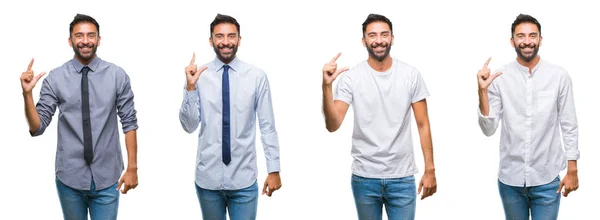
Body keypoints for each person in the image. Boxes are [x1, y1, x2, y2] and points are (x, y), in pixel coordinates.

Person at [20, 14, 139, 219]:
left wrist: (132, 168)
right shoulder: (55, 78)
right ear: (70, 41)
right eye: (79, 36)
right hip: (70, 178)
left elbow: (129, 123)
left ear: (99, 40)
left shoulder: (117, 75)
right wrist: (27, 94)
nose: (85, 41)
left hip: (107, 177)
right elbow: (37, 127)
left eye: (91, 35)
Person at [322, 13, 437, 220]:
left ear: (392, 38)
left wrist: (430, 169)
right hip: (365, 178)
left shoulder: (410, 75)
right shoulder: (351, 78)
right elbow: (333, 124)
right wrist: (326, 87)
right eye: (372, 35)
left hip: (402, 177)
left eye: (384, 35)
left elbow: (423, 125)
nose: (379, 41)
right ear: (364, 40)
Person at [179, 14, 282, 220]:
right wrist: (190, 88)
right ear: (211, 41)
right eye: (219, 36)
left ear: (239, 40)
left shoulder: (256, 76)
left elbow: (267, 126)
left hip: (243, 180)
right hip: (208, 180)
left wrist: (274, 170)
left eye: (231, 36)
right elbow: (189, 126)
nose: (225, 42)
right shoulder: (198, 76)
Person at [477, 14, 580, 220]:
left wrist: (572, 169)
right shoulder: (499, 78)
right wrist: (482, 92)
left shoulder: (559, 76)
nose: (527, 41)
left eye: (532, 36)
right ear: (512, 41)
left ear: (540, 40)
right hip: (510, 180)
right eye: (521, 36)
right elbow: (488, 130)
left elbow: (569, 124)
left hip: (547, 178)